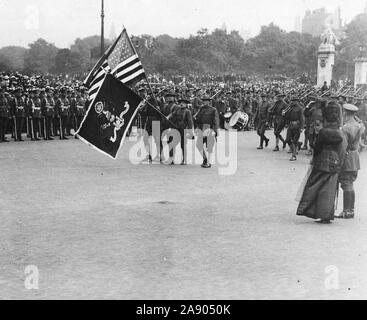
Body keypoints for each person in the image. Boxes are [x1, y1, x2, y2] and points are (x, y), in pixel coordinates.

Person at [297, 102, 346, 224]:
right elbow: (342, 149)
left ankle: (313, 211)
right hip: (335, 161)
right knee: (330, 189)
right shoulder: (340, 133)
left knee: (315, 186)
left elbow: (316, 146)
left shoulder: (323, 132)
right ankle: (327, 215)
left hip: (322, 160)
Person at [335, 104, 364, 219]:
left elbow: (343, 146)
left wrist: (339, 161)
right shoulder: (359, 125)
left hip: (347, 158)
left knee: (346, 184)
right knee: (350, 184)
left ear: (345, 113)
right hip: (355, 157)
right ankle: (350, 210)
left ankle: (347, 211)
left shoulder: (345, 128)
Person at [195, 96, 219, 168]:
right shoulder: (201, 109)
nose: (204, 102)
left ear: (209, 101)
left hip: (209, 129)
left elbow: (216, 121)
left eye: (206, 101)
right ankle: (205, 159)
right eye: (203, 101)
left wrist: (214, 130)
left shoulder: (213, 110)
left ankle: (208, 162)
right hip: (202, 129)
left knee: (209, 147)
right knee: (198, 145)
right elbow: (198, 120)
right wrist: (196, 124)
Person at [169, 98, 194, 165]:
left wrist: (190, 131)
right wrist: (168, 117)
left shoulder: (187, 111)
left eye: (183, 103)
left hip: (183, 130)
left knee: (183, 145)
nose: (181, 104)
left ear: (186, 104)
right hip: (176, 129)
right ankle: (171, 159)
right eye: (181, 103)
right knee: (172, 144)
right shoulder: (177, 110)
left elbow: (190, 122)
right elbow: (172, 114)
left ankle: (184, 160)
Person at [284, 96, 304, 161]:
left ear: (297, 101)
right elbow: (287, 117)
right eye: (292, 100)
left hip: (297, 126)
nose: (292, 102)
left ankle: (294, 155)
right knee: (288, 140)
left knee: (294, 141)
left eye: (294, 101)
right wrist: (284, 114)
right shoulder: (290, 108)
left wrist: (301, 127)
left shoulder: (300, 108)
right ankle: (296, 148)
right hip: (290, 125)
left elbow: (302, 119)